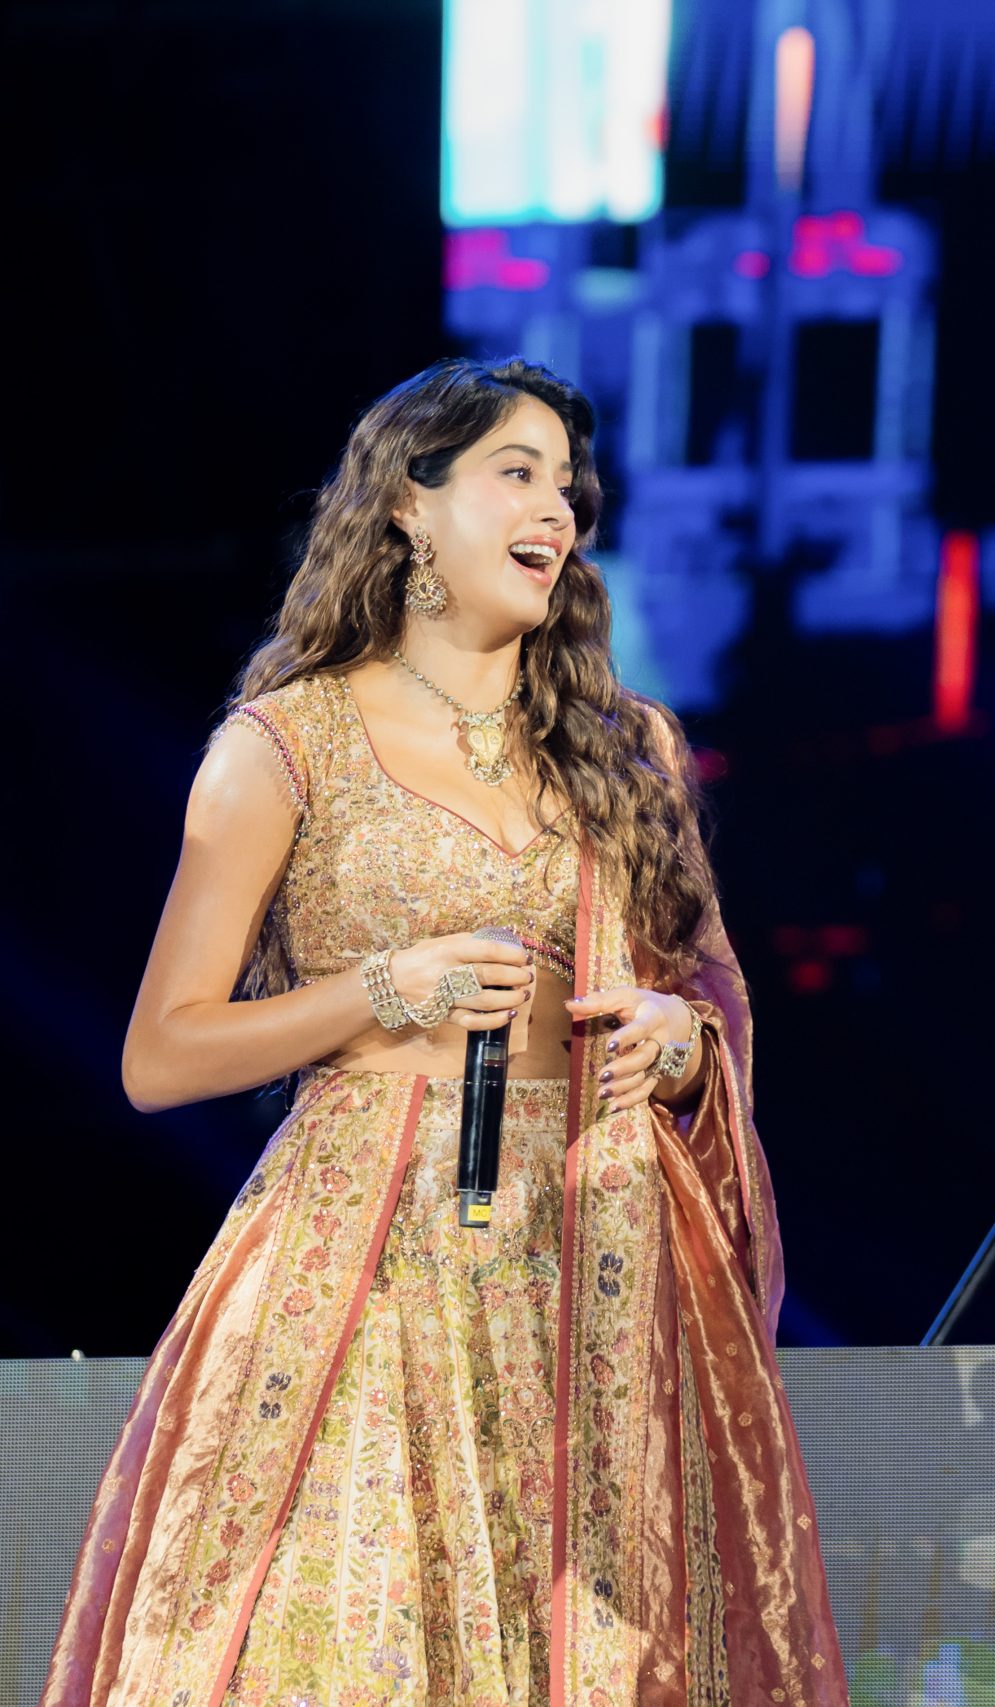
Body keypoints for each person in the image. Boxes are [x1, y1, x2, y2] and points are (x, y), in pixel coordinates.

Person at [47, 359, 845, 1706]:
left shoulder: (627, 750)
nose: (559, 511)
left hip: (594, 1259)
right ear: (409, 506)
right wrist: (384, 990)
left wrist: (680, 1042)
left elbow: (708, 993)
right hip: (368, 1265)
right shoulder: (284, 746)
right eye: (515, 474)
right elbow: (160, 1055)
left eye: (569, 486)